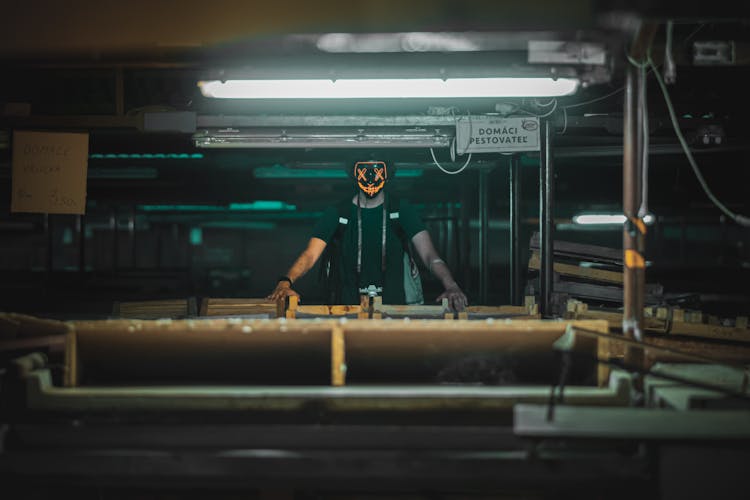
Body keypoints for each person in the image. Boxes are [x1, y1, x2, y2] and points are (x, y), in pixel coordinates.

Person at [267, 159, 468, 311]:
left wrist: (451, 286)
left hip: (395, 309)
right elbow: (310, 254)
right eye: (365, 171)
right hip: (346, 309)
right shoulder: (338, 212)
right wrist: (286, 281)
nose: (371, 177)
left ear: (387, 175)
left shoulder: (401, 210)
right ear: (355, 175)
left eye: (377, 171)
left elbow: (429, 256)